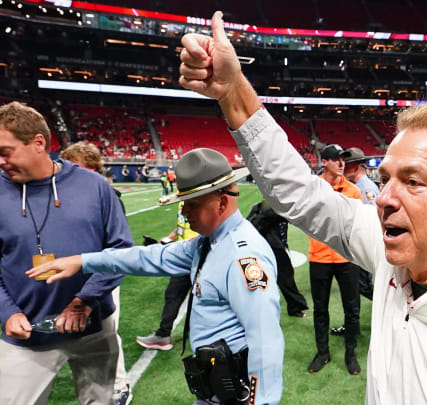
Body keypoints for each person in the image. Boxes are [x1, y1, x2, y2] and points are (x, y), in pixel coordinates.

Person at [176, 12, 427, 403]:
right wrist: (233, 93)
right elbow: (298, 192)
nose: (387, 197)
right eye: (386, 178)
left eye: (413, 181)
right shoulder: (400, 254)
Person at [28, 148, 284, 405]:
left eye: (192, 204)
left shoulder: (243, 257)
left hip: (233, 393)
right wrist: (83, 261)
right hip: (215, 386)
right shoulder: (210, 242)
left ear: (222, 202)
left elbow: (265, 338)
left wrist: (260, 402)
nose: (184, 212)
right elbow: (149, 258)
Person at [0, 101, 131, 405]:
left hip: (93, 329)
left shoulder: (95, 186)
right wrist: (7, 313)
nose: (1, 161)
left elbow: (121, 250)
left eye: (6, 151)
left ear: (38, 143)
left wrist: (83, 301)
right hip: (25, 335)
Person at [60, 141, 133, 405]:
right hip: (75, 277)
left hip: (103, 276)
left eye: (78, 167)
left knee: (107, 332)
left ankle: (119, 386)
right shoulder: (65, 196)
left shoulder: (106, 196)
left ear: (94, 168)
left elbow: (119, 248)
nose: (71, 173)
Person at [304, 143, 363, 375]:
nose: (341, 163)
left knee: (352, 309)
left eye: (343, 159)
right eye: (335, 159)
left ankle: (350, 354)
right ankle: (323, 353)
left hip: (347, 258)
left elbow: (358, 224)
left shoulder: (353, 191)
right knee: (320, 309)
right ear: (324, 162)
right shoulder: (313, 189)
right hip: (319, 257)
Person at [135, 200, 198, 351]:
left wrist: (171, 248)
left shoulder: (198, 198)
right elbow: (181, 226)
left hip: (197, 256)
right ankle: (163, 335)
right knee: (173, 295)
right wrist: (167, 239)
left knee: (202, 299)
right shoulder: (183, 200)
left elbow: (206, 229)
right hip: (185, 258)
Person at [329, 147, 376, 337]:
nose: (343, 168)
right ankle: (351, 326)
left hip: (363, 248)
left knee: (362, 288)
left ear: (356, 167)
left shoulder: (365, 189)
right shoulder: (361, 187)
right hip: (357, 248)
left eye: (347, 165)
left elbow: (371, 221)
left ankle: (394, 311)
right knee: (354, 291)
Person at [247, 199, 309, 318]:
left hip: (262, 246)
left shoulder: (261, 207)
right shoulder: (271, 209)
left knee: (262, 278)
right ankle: (295, 306)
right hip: (271, 247)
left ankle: (293, 306)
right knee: (285, 275)